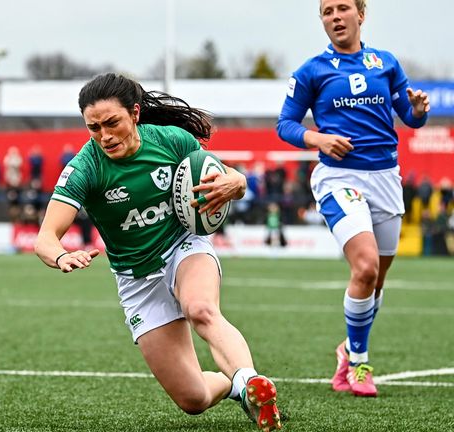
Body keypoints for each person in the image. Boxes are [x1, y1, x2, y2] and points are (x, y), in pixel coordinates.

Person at [35, 73, 282, 431]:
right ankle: (236, 386)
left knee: (200, 309)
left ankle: (251, 383)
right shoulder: (85, 167)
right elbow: (45, 237)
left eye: (112, 123)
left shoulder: (172, 141)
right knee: (193, 399)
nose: (104, 136)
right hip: (136, 281)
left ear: (135, 113)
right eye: (94, 128)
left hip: (184, 247)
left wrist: (238, 182)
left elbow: (222, 178)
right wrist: (61, 255)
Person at [277, 0, 430, 398]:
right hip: (338, 177)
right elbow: (286, 124)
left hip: (385, 179)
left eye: (343, 8)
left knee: (375, 283)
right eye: (327, 11)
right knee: (363, 268)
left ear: (361, 14)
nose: (335, 17)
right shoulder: (311, 71)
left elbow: (409, 118)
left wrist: (416, 111)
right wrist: (318, 138)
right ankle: (359, 365)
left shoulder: (386, 63)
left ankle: (348, 348)